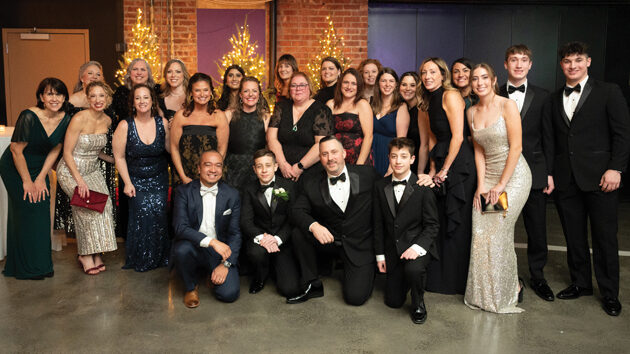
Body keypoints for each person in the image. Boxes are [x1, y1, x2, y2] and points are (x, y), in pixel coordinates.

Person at [543, 42, 630, 316]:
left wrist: (616, 168)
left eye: (578, 60)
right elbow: (553, 141)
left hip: (602, 178)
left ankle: (609, 293)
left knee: (605, 238)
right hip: (566, 179)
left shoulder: (609, 92)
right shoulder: (554, 98)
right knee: (574, 236)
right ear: (561, 65)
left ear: (588, 62)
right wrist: (550, 173)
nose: (573, 65)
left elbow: (622, 134)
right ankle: (581, 283)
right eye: (568, 61)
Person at [464, 63, 532, 313]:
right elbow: (479, 150)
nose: (479, 82)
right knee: (481, 229)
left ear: (493, 81)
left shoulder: (507, 105)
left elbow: (516, 148)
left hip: (514, 177)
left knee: (498, 229)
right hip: (489, 179)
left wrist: (501, 186)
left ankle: (511, 287)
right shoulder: (471, 112)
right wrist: (481, 186)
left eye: (484, 77)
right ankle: (486, 292)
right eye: (474, 79)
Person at [289, 136, 378, 306]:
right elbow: (296, 210)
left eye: (334, 152)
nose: (330, 158)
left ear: (344, 153)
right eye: (324, 154)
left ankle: (362, 270)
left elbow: (389, 189)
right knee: (299, 233)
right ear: (320, 158)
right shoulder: (311, 182)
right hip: (332, 240)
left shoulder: (367, 174)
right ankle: (312, 283)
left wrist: (420, 180)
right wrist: (314, 226)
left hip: (359, 245)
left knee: (355, 298)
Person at [0, 78, 71, 279]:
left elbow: (56, 149)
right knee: (26, 210)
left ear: (64, 97)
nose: (54, 98)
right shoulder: (29, 116)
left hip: (40, 168)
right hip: (15, 168)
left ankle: (41, 265)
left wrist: (41, 178)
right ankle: (24, 268)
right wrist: (27, 181)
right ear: (41, 97)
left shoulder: (65, 118)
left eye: (58, 94)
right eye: (49, 93)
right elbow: (16, 151)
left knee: (40, 212)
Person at [499, 44, 554, 301]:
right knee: (497, 224)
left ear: (530, 65)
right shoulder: (493, 94)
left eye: (523, 60)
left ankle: (537, 276)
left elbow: (548, 138)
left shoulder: (543, 96)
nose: (518, 65)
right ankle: (501, 274)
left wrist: (549, 173)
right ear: (505, 65)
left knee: (536, 229)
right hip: (499, 175)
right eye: (513, 60)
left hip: (532, 175)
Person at [419, 57, 476, 295]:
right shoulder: (429, 101)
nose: (427, 76)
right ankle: (441, 279)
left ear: (443, 74)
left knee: (458, 222)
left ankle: (457, 282)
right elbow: (433, 138)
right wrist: (432, 168)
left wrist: (445, 170)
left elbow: (458, 136)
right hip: (442, 159)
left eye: (432, 72)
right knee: (441, 221)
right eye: (423, 73)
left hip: (459, 163)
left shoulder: (450, 95)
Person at [373, 137, 439, 324]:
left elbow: (432, 225)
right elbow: (377, 223)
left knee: (414, 269)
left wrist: (417, 248)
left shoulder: (423, 187)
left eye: (403, 156)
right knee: (393, 302)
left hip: (416, 246)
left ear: (412, 159)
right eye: (394, 156)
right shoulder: (380, 186)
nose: (398, 161)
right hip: (393, 250)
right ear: (388, 158)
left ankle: (418, 301)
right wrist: (380, 255)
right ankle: (404, 281)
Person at [57, 81, 117, 275]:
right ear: (88, 99)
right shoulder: (79, 118)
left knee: (104, 206)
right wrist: (79, 181)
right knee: (85, 208)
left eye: (102, 96)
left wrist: (112, 159)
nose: (98, 100)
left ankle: (97, 252)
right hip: (70, 169)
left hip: (93, 169)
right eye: (93, 96)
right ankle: (85, 255)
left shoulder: (107, 120)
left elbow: (95, 151)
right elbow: (67, 152)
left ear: (107, 98)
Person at [172, 150, 241, 308]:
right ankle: (191, 287)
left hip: (219, 253)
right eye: (207, 165)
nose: (213, 169)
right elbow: (180, 228)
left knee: (229, 294)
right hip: (193, 247)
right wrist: (212, 242)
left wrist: (226, 264)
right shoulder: (184, 192)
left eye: (218, 165)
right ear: (198, 168)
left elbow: (235, 233)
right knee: (182, 249)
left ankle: (211, 273)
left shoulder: (232, 195)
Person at [113, 83, 171, 272]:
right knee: (142, 215)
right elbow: (119, 157)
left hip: (159, 177)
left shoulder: (162, 123)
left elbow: (170, 149)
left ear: (152, 100)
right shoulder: (124, 125)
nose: (142, 101)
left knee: (159, 213)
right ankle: (141, 258)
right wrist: (127, 182)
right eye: (138, 98)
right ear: (133, 102)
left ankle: (160, 257)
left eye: (146, 97)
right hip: (135, 179)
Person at [240, 149, 301, 297]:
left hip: (282, 239)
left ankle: (278, 269)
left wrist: (277, 239)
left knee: (289, 289)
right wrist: (263, 238)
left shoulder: (289, 187)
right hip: (260, 239)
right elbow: (245, 221)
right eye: (259, 166)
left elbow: (293, 218)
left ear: (275, 166)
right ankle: (261, 275)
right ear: (254, 169)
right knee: (256, 253)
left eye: (268, 165)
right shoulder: (248, 189)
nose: (264, 170)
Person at [56, 60, 105, 236]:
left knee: (98, 208)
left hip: (95, 161)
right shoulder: (71, 101)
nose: (94, 77)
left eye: (98, 74)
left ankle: (94, 249)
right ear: (82, 78)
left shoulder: (104, 103)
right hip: (73, 160)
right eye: (90, 73)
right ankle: (84, 252)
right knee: (82, 206)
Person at [110, 58, 156, 237]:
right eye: (134, 69)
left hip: (150, 145)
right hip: (129, 147)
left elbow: (158, 114)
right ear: (129, 73)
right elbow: (116, 118)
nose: (138, 72)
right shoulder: (121, 92)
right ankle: (131, 239)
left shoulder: (156, 90)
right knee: (130, 197)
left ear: (148, 73)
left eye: (142, 69)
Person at [267, 72, 333, 181]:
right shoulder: (281, 107)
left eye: (302, 85)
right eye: (294, 85)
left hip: (311, 172)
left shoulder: (321, 110)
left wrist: (300, 167)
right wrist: (283, 165)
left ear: (309, 88)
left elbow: (321, 144)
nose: (298, 88)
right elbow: (271, 138)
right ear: (289, 89)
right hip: (282, 170)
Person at [170, 73, 229, 185]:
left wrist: (212, 174)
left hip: (212, 176)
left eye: (205, 90)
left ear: (211, 92)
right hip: (185, 176)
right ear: (191, 93)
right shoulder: (181, 116)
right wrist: (183, 177)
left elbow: (222, 150)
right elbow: (174, 148)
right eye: (197, 90)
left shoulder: (219, 116)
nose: (202, 94)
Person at [224, 77, 270, 190]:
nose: (250, 94)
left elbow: (269, 147)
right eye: (246, 91)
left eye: (254, 91)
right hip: (232, 170)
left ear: (259, 94)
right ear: (240, 95)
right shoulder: (229, 115)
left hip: (257, 171)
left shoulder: (266, 117)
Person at [326, 68, 373, 165]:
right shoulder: (330, 104)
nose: (349, 86)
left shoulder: (362, 104)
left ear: (358, 86)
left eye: (353, 83)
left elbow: (368, 136)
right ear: (340, 84)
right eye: (346, 82)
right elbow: (325, 135)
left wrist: (360, 163)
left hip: (358, 157)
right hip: (334, 158)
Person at [371, 67, 409, 176]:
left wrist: (391, 167)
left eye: (391, 81)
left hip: (388, 156)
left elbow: (401, 141)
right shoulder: (372, 104)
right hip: (371, 155)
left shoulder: (401, 107)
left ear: (396, 84)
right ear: (378, 84)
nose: (387, 84)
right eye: (383, 81)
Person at [399, 71, 429, 174]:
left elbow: (425, 144)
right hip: (405, 162)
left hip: (421, 164)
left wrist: (420, 172)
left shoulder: (422, 109)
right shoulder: (401, 108)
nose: (407, 89)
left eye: (412, 85)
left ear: (418, 88)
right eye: (404, 85)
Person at [451, 58, 476, 141]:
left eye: (465, 70)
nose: (460, 75)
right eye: (456, 71)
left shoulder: (479, 98)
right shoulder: (449, 98)